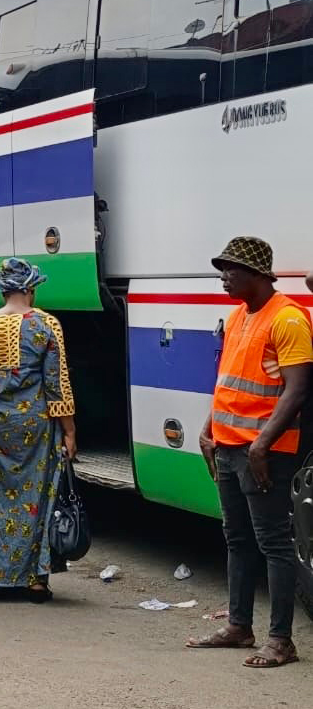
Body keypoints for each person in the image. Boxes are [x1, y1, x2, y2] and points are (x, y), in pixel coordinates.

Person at [189, 237, 312, 668]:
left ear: (259, 276)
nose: (224, 278)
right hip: (229, 447)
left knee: (274, 544)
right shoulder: (238, 314)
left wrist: (261, 445)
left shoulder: (289, 319)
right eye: (222, 269)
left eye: (231, 270)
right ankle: (239, 626)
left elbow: (297, 390)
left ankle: (281, 640)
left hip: (266, 452)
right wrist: (208, 431)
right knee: (237, 539)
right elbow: (227, 381)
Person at [0, 258, 77, 604]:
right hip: (37, 425)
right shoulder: (47, 325)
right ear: (31, 288)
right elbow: (56, 383)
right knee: (38, 496)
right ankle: (35, 579)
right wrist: (70, 431)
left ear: (1, 288)